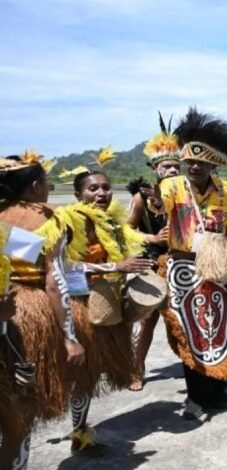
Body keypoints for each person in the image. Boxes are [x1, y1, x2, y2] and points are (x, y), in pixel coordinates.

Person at [57, 168, 156, 454]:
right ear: (78, 194)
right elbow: (60, 267)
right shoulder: (67, 221)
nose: (101, 193)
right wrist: (114, 266)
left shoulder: (111, 220)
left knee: (91, 372)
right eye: (93, 189)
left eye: (106, 187)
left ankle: (80, 431)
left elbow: (122, 248)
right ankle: (77, 432)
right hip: (75, 307)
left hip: (105, 305)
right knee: (81, 373)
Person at [159, 108, 227, 421]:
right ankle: (195, 397)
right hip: (183, 271)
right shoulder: (172, 188)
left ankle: (218, 389)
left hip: (220, 273)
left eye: (201, 162)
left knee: (220, 330)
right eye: (189, 161)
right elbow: (160, 206)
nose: (194, 166)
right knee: (189, 332)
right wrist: (156, 198)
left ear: (213, 162)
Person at [0, 154, 85, 467]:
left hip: (5, 306)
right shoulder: (48, 217)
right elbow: (53, 281)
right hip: (26, 321)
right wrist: (70, 337)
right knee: (19, 414)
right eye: (47, 184)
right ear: (36, 186)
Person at [127, 115, 181, 391]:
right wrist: (150, 236)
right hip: (151, 261)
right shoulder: (141, 197)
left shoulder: (188, 194)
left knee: (183, 319)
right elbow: (126, 231)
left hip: (182, 263)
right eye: (166, 166)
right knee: (147, 319)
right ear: (155, 168)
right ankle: (137, 368)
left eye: (175, 166)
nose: (171, 170)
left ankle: (194, 366)